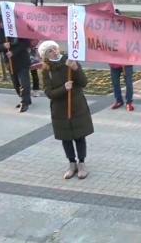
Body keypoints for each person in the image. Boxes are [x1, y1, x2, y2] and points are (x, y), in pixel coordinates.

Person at [39, 40, 94, 180]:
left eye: (55, 48)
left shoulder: (70, 62)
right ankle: (72, 164)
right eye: (50, 50)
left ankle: (82, 164)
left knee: (79, 136)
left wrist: (76, 68)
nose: (54, 51)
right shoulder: (46, 70)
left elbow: (83, 83)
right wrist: (64, 89)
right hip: (60, 110)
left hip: (77, 105)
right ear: (46, 55)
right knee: (66, 138)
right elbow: (49, 93)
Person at [0, 14, 32, 112]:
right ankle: (25, 98)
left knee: (24, 83)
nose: (0, 24)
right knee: (16, 84)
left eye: (2, 22)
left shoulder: (18, 29)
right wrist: (3, 46)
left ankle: (25, 102)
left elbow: (26, 43)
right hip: (10, 62)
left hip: (22, 60)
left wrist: (13, 52)